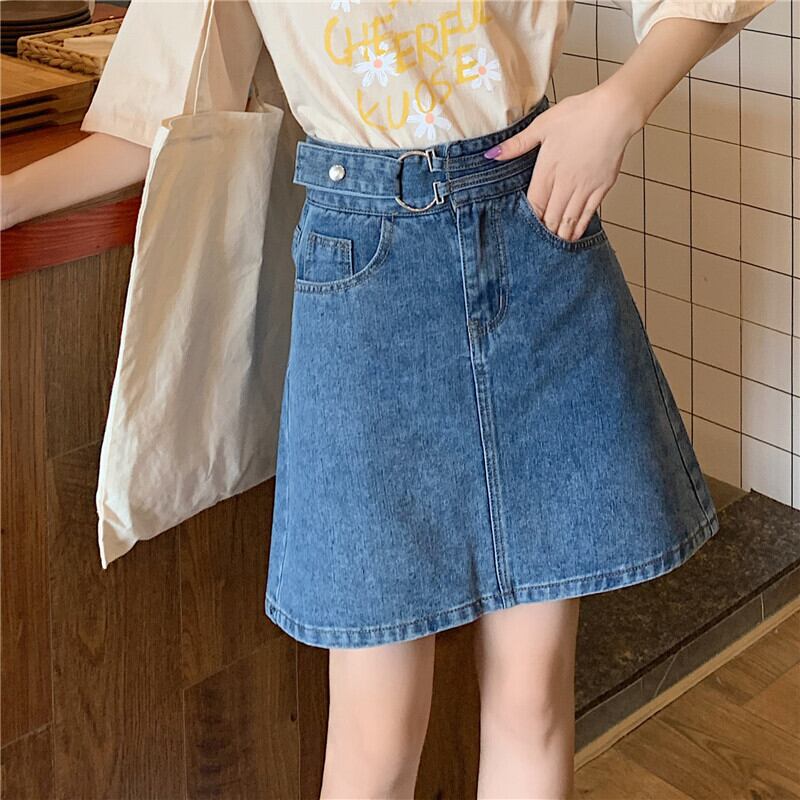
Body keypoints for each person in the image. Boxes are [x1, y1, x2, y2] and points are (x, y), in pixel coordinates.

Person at [2, 1, 775, 797]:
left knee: (533, 698)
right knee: (375, 734)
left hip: (532, 231)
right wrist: (9, 200)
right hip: (364, 278)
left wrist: (620, 104)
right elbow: (160, 116)